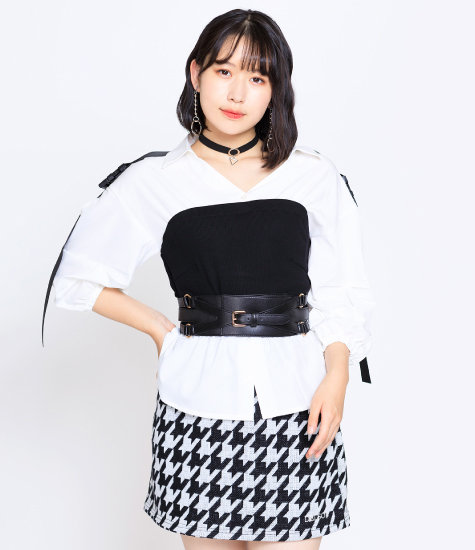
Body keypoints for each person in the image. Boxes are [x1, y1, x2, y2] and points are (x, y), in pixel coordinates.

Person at [43, 8, 376, 549]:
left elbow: (342, 290)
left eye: (257, 77)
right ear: (196, 73)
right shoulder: (154, 180)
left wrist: (336, 375)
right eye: (224, 71)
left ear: (277, 89)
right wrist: (160, 328)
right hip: (197, 403)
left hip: (299, 401)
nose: (238, 92)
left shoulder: (314, 176)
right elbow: (77, 277)